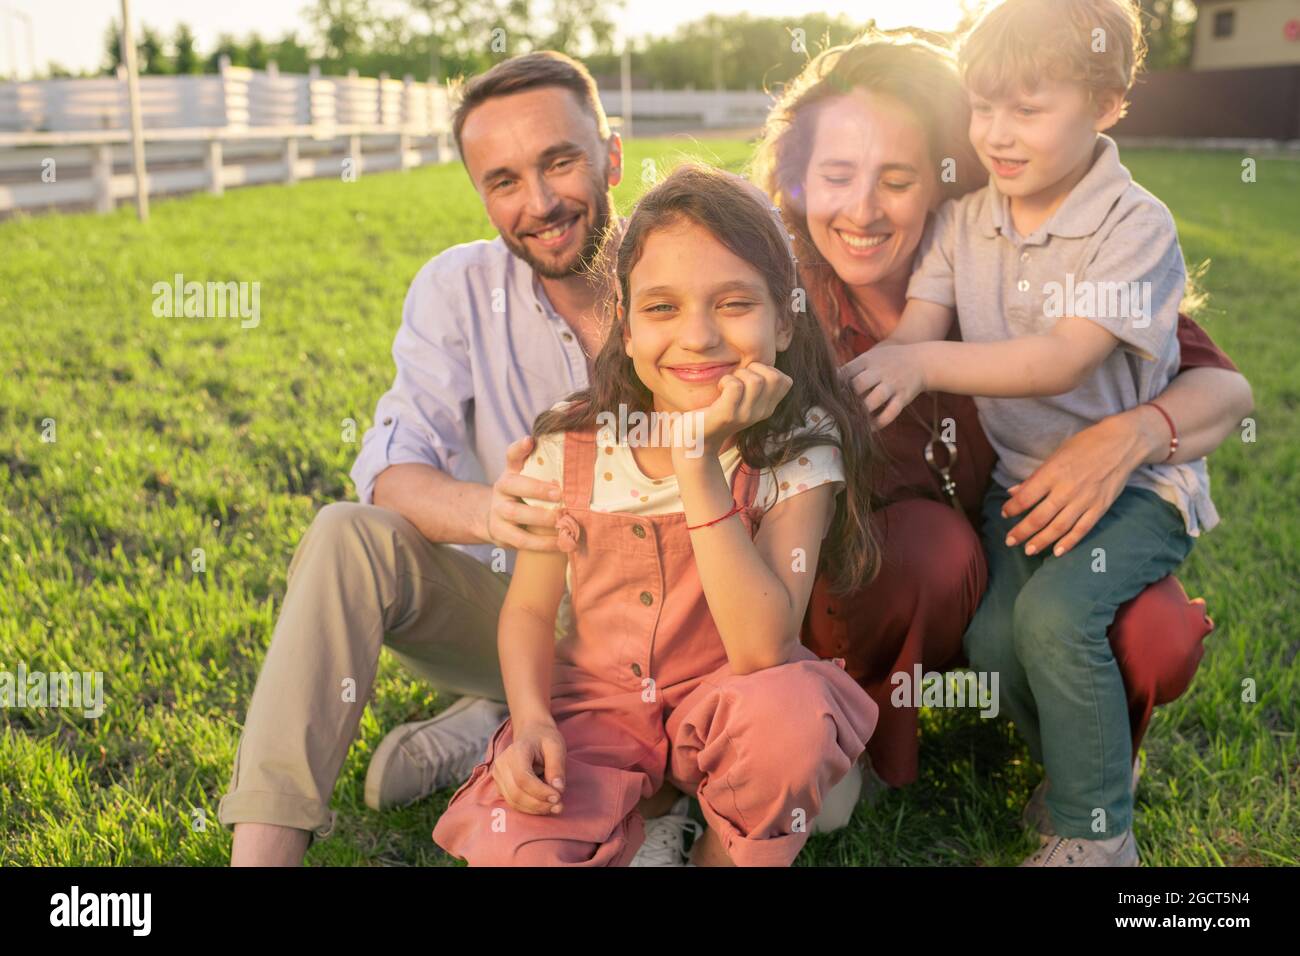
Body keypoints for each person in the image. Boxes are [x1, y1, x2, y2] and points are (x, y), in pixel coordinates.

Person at [748, 27, 1251, 840]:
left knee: (1137, 630)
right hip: (877, 586)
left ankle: (1089, 797)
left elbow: (1224, 386)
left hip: (1080, 513)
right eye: (836, 176)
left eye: (899, 178)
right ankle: (857, 719)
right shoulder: (788, 292)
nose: (865, 210)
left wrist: (1129, 432)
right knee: (955, 579)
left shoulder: (1061, 243)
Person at [217, 51, 629, 865]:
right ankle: (263, 856)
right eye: (503, 180)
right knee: (348, 532)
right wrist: (491, 512)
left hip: (675, 632)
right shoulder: (457, 288)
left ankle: (494, 721)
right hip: (521, 619)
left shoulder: (682, 266)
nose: (539, 204)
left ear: (611, 155)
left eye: (560, 161)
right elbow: (390, 470)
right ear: (480, 192)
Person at [431, 163, 879, 866]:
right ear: (626, 323)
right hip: (600, 716)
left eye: (733, 304)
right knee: (516, 841)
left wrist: (697, 462)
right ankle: (652, 809)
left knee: (787, 731)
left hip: (731, 708)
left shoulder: (798, 451)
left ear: (784, 321)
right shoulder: (571, 447)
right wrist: (530, 720)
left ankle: (716, 835)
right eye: (663, 307)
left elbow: (763, 651)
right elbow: (525, 612)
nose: (697, 338)